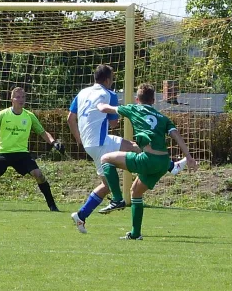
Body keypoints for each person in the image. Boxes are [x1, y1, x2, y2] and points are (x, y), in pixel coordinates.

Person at [67, 65, 186, 234]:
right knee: (135, 148)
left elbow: (70, 119)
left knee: (107, 184)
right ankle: (169, 167)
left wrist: (80, 139)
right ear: (108, 80)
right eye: (113, 79)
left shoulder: (82, 93)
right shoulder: (109, 94)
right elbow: (114, 122)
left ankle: (81, 216)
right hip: (101, 141)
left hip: (88, 144)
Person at [96, 82, 197, 240]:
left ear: (137, 99)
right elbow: (176, 135)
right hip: (163, 162)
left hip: (148, 159)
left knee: (105, 159)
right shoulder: (163, 118)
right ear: (153, 101)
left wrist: (99, 103)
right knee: (136, 192)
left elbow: (105, 109)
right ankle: (135, 234)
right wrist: (189, 157)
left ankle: (116, 199)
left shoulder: (134, 108)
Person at [0, 87, 65, 211]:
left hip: (21, 154)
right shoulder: (3, 114)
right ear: (12, 99)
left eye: (23, 97)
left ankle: (52, 206)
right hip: (2, 152)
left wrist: (54, 143)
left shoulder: (29, 116)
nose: (21, 100)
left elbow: (42, 132)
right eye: (18, 97)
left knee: (38, 174)